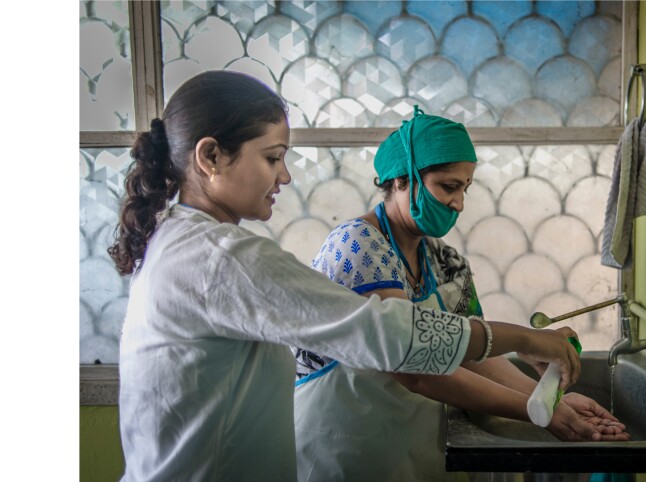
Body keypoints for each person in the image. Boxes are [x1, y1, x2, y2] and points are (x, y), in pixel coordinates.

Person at [107, 71, 582, 482]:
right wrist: (527, 342)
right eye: (273, 158)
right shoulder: (221, 257)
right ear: (210, 157)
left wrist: (538, 391)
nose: (286, 177)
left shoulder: (183, 242)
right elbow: (392, 337)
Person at [293, 107, 630, 482]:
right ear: (402, 180)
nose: (459, 203)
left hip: (410, 448)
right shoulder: (357, 246)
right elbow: (414, 367)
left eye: (465, 188)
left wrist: (548, 399)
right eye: (448, 186)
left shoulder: (444, 260)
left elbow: (471, 352)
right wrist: (537, 411)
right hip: (344, 446)